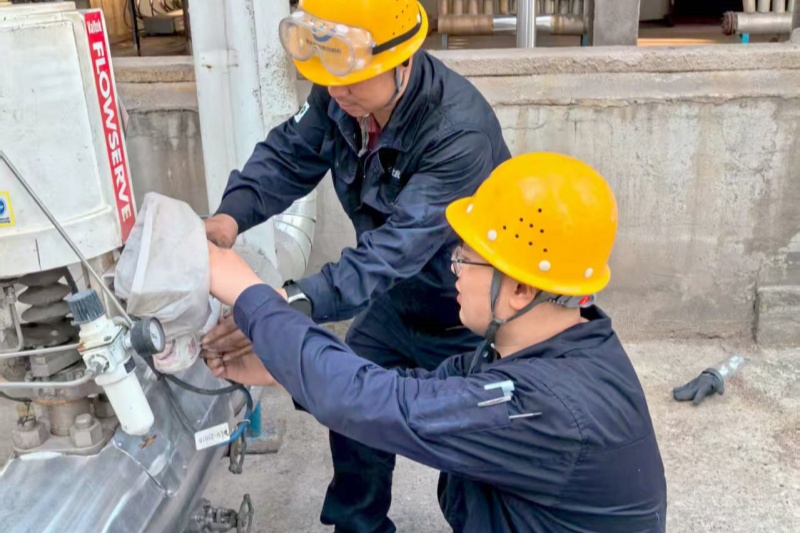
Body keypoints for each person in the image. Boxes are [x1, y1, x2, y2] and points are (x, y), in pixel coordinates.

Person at [206, 152, 668, 532]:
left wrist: (251, 295)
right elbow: (410, 388)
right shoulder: (556, 343)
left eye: (466, 258)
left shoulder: (540, 406)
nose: (455, 270)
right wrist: (284, 372)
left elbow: (381, 406)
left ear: (522, 289)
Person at [201, 0, 510, 530]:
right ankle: (359, 525)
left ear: (402, 60)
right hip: (394, 302)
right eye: (327, 77)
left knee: (472, 462)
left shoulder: (458, 134)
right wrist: (230, 217)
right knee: (349, 414)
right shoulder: (339, 93)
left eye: (352, 78)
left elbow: (394, 250)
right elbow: (288, 155)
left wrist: (286, 306)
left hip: (468, 313)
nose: (336, 91)